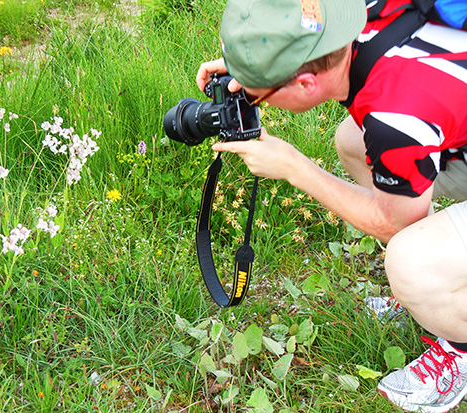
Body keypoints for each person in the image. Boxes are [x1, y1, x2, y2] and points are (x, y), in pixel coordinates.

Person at [195, 0, 467, 412]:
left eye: (259, 93)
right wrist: (249, 60)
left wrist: (296, 168)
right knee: (353, 142)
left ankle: (458, 345)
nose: (254, 99)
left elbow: (393, 223)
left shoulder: (396, 116)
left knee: (409, 261)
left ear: (306, 83)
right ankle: (437, 285)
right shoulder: (363, 11)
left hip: (423, 112)